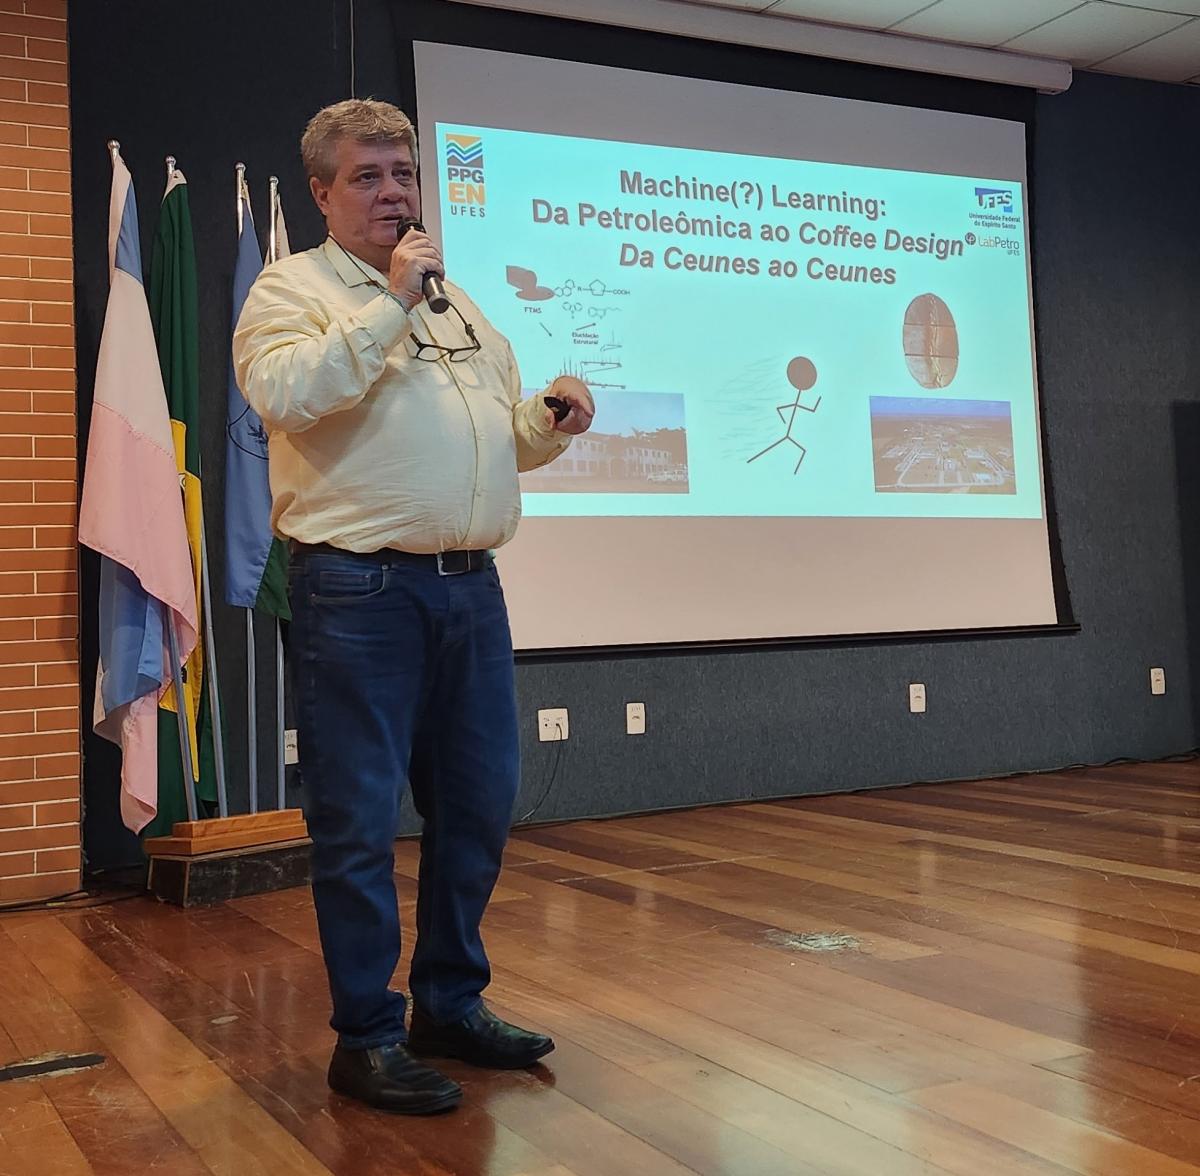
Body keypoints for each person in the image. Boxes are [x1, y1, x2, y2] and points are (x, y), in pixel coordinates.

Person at [233, 98, 594, 1116]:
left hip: (469, 591)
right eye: (369, 177)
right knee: (355, 825)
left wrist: (545, 421)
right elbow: (288, 399)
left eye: (404, 173)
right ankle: (366, 1036)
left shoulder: (458, 303)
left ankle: (448, 1004)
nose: (395, 192)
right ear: (322, 192)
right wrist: (390, 301)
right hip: (358, 591)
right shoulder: (289, 290)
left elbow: (495, 436)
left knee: (476, 809)